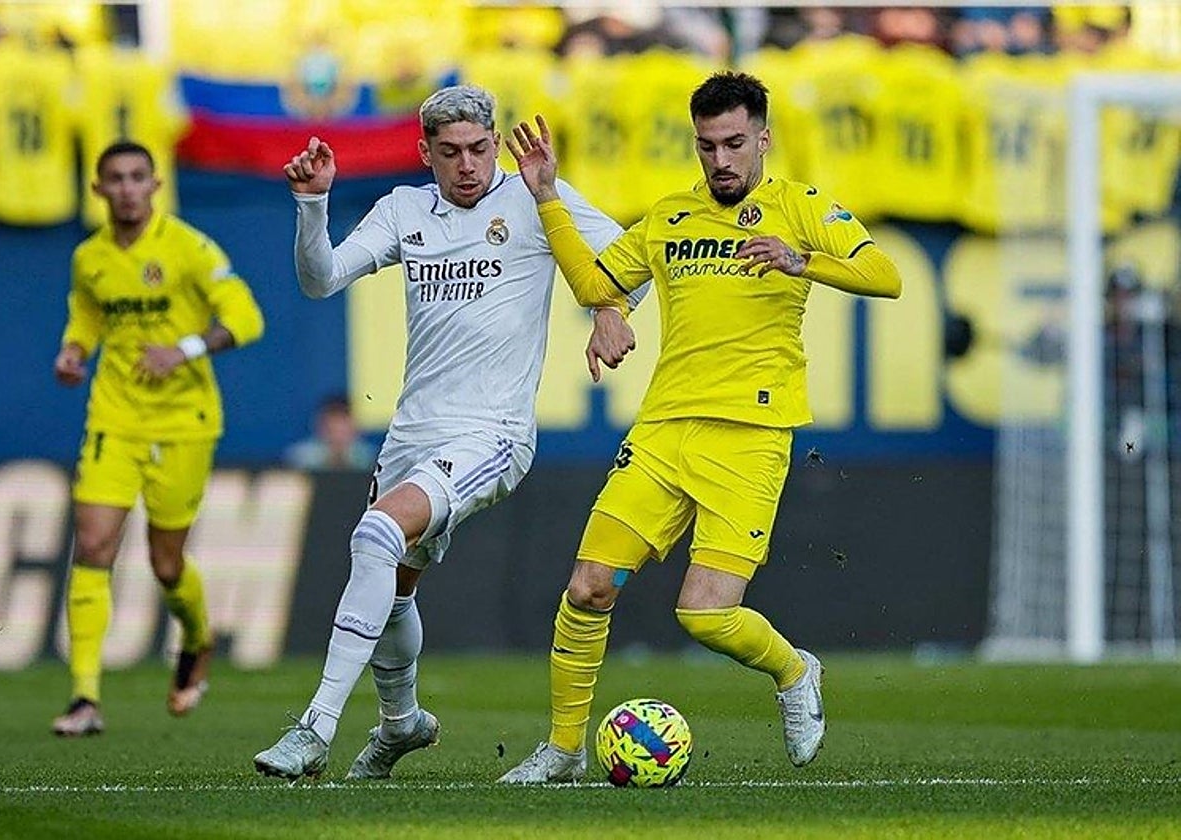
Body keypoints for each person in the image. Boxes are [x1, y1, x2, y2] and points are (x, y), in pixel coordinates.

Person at [497, 71, 902, 783]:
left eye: (735, 144)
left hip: (751, 435)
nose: (721, 161)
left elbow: (886, 274)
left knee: (706, 616)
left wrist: (802, 259)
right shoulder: (668, 218)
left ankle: (794, 670)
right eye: (707, 145)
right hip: (663, 431)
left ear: (763, 140)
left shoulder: (800, 208)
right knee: (589, 586)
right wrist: (547, 197)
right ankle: (563, 750)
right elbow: (597, 286)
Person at [252, 84, 642, 781]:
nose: (468, 165)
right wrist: (313, 206)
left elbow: (630, 266)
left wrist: (608, 310)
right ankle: (401, 724)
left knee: (373, 534)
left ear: (496, 143)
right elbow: (322, 279)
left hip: (493, 432)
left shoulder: (534, 196)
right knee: (393, 585)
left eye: (479, 149)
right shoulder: (405, 209)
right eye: (451, 152)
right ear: (424, 152)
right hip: (413, 434)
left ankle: (314, 728)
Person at [52, 140, 265, 736]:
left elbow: (247, 316)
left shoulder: (189, 249)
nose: (125, 188)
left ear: (155, 185)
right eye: (114, 179)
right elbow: (88, 314)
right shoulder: (89, 257)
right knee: (93, 546)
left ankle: (196, 638)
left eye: (136, 177)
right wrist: (74, 351)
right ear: (97, 189)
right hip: (114, 419)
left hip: (183, 422)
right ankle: (85, 697)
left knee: (165, 564)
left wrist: (186, 349)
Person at [284, 393, 376, 471]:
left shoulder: (369, 458)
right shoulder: (300, 458)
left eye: (343, 431)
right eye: (332, 430)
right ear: (320, 427)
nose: (338, 437)